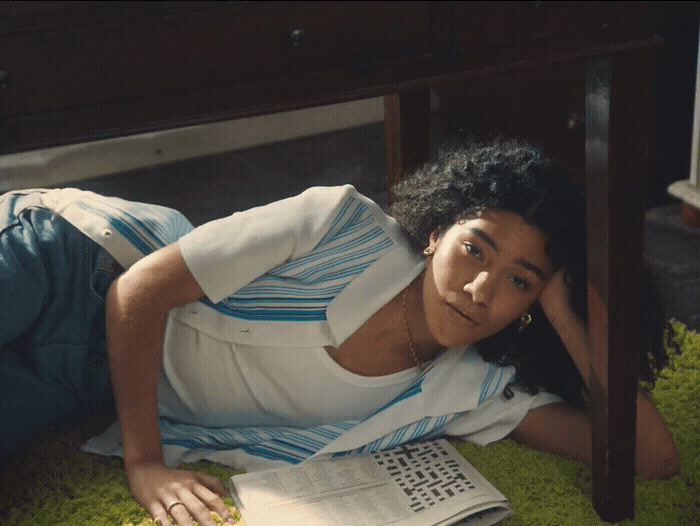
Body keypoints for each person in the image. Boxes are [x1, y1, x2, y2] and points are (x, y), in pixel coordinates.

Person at [0, 139, 679, 526]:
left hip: (82, 379)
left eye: (519, 281)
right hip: (79, 263)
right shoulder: (337, 225)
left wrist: (570, 310)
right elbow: (138, 292)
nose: (480, 290)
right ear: (439, 228)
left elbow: (649, 458)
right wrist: (145, 465)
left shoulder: (473, 390)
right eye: (475, 249)